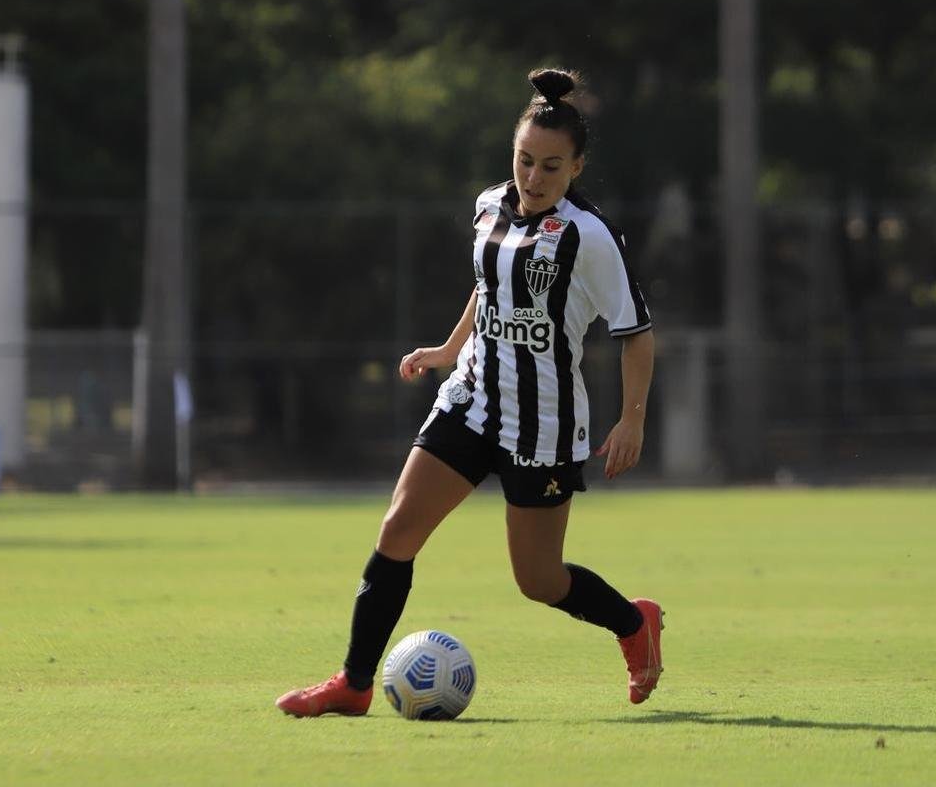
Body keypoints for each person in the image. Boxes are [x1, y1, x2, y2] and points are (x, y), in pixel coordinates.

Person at [276, 68, 662, 717]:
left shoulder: (589, 237)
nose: (533, 177)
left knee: (538, 581)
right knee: (398, 529)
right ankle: (354, 683)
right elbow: (491, 285)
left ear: (576, 167)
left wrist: (632, 421)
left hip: (542, 424)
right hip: (472, 398)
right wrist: (450, 350)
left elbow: (637, 333)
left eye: (550, 166)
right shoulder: (489, 205)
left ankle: (632, 623)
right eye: (523, 161)